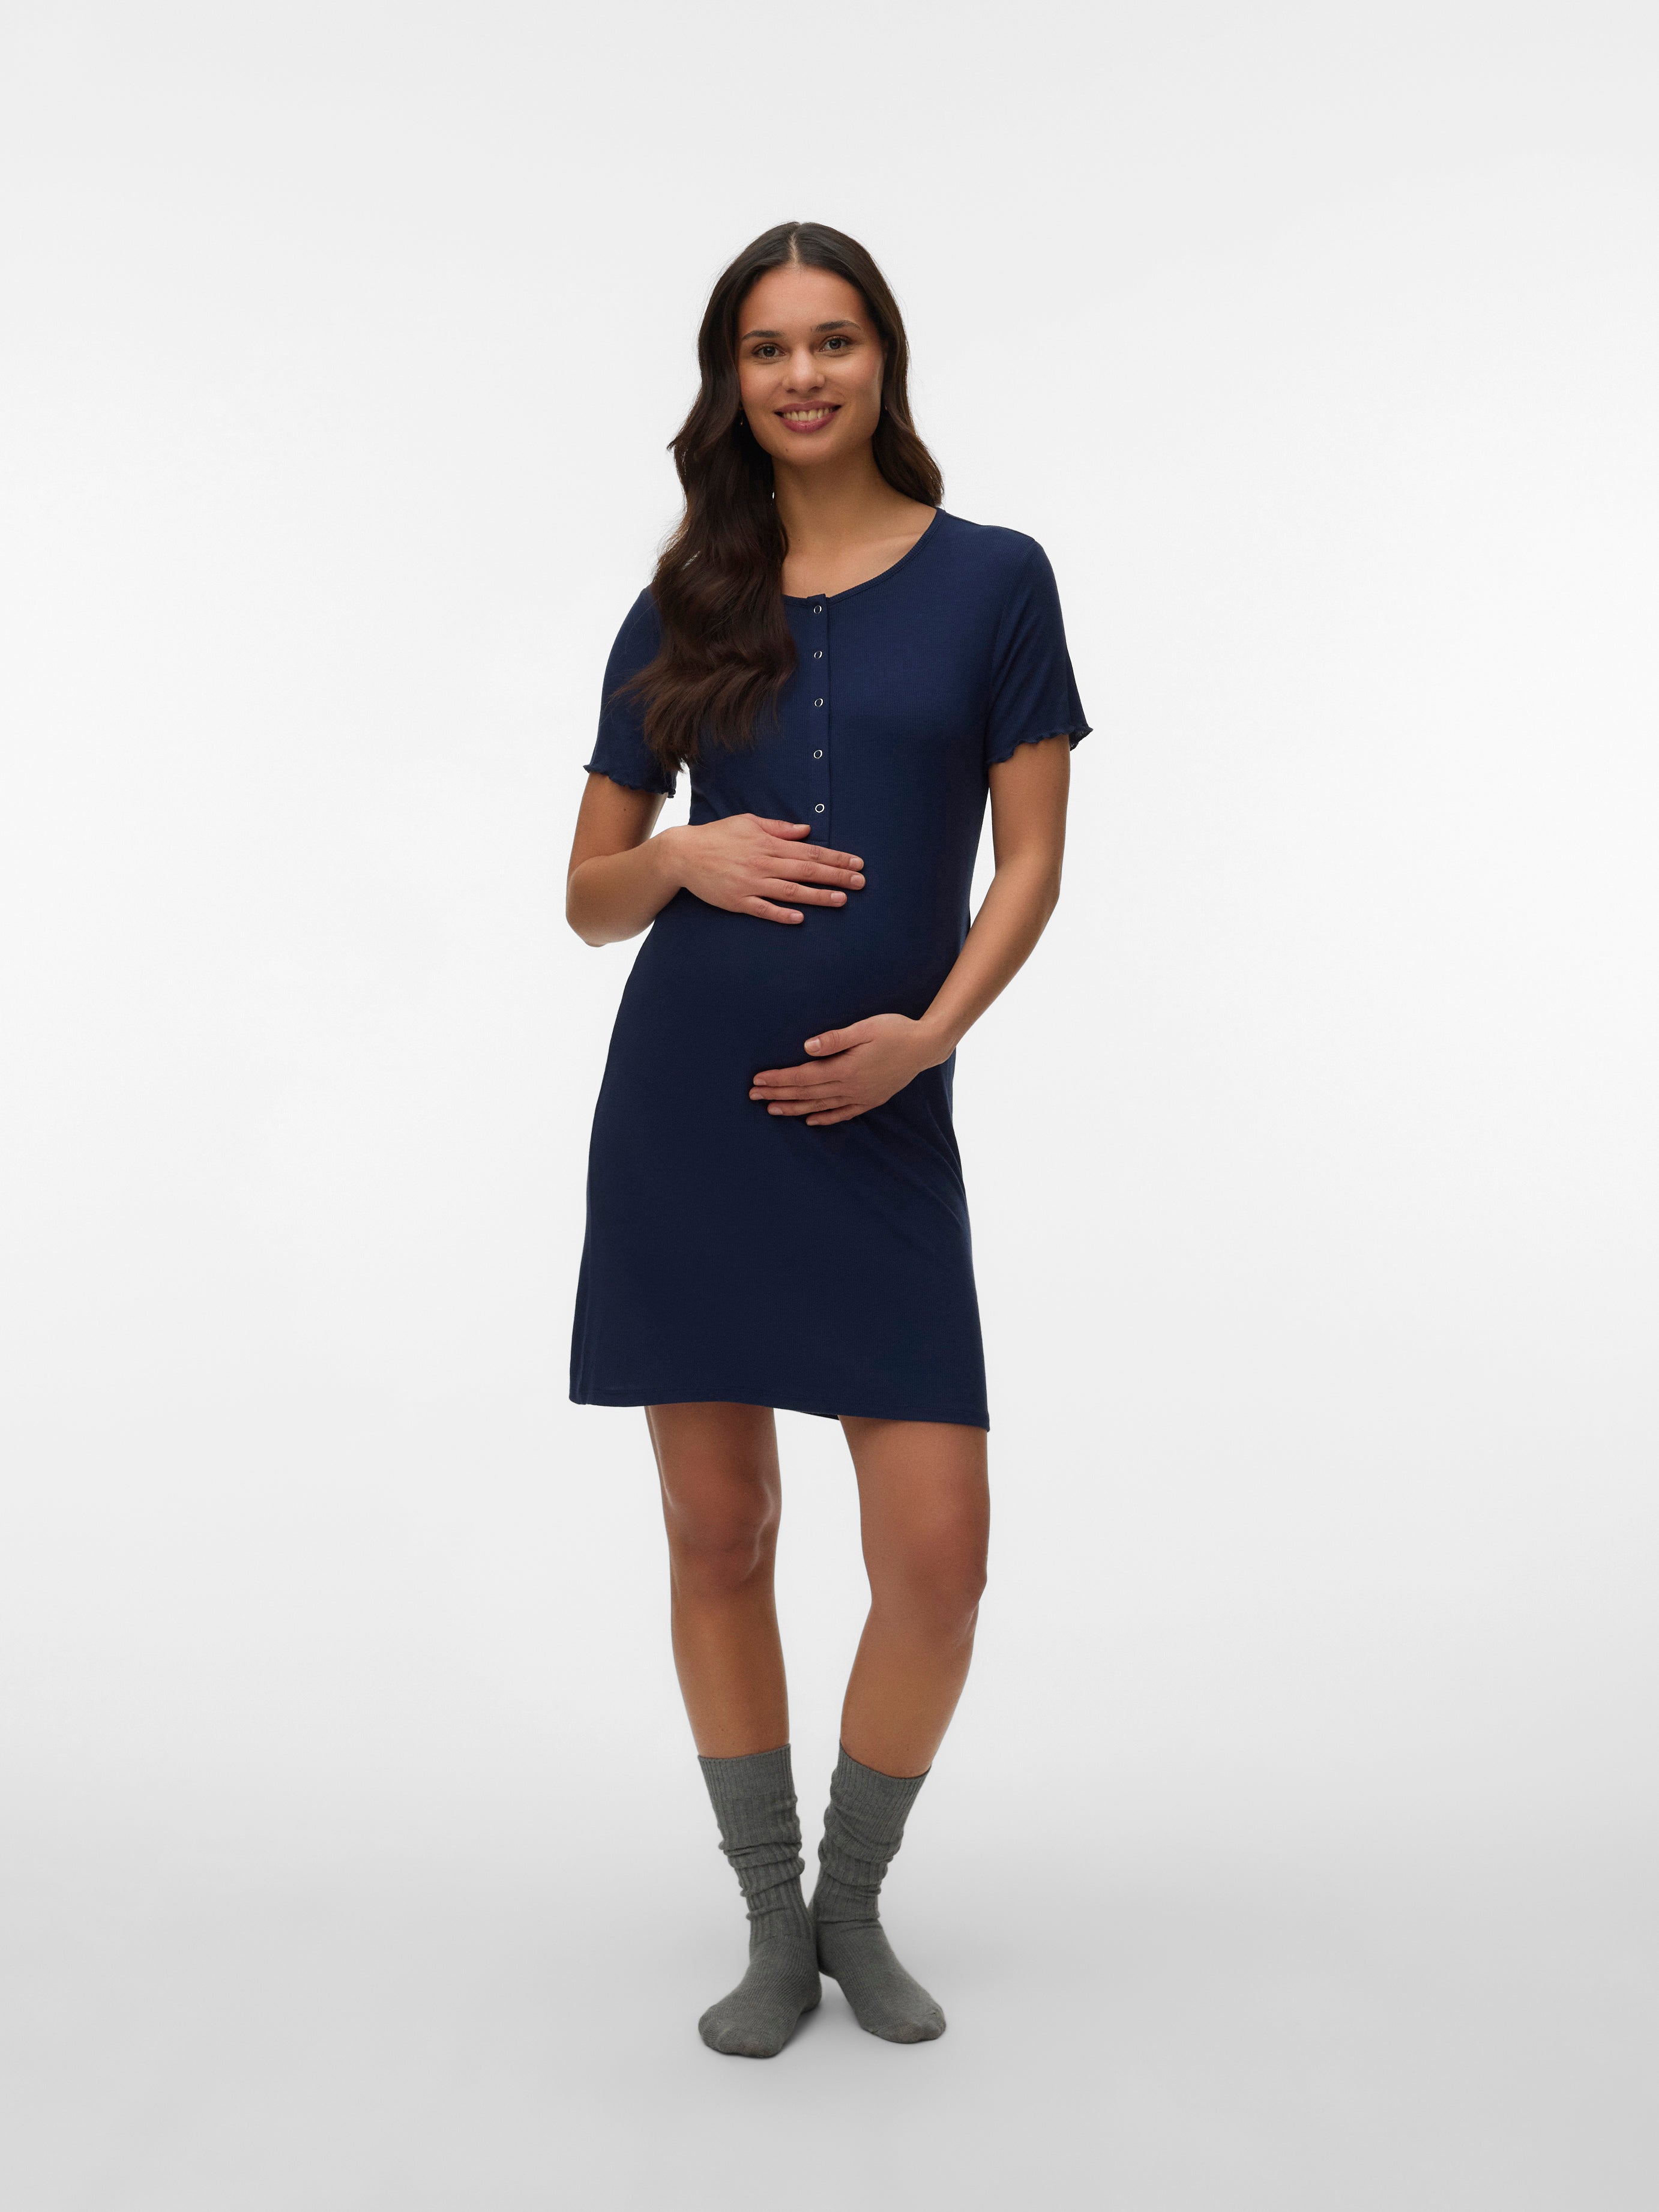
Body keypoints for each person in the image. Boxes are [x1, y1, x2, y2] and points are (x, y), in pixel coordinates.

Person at [565, 221, 1089, 2058]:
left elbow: (1029, 863)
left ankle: (852, 1902)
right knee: (719, 1534)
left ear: (883, 360)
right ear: (731, 379)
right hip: (686, 1120)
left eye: (833, 339)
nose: (801, 374)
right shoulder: (683, 601)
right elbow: (585, 902)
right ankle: (769, 1921)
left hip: (881, 1126)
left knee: (936, 1557)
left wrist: (927, 1043)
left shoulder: (994, 580)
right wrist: (678, 853)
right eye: (768, 347)